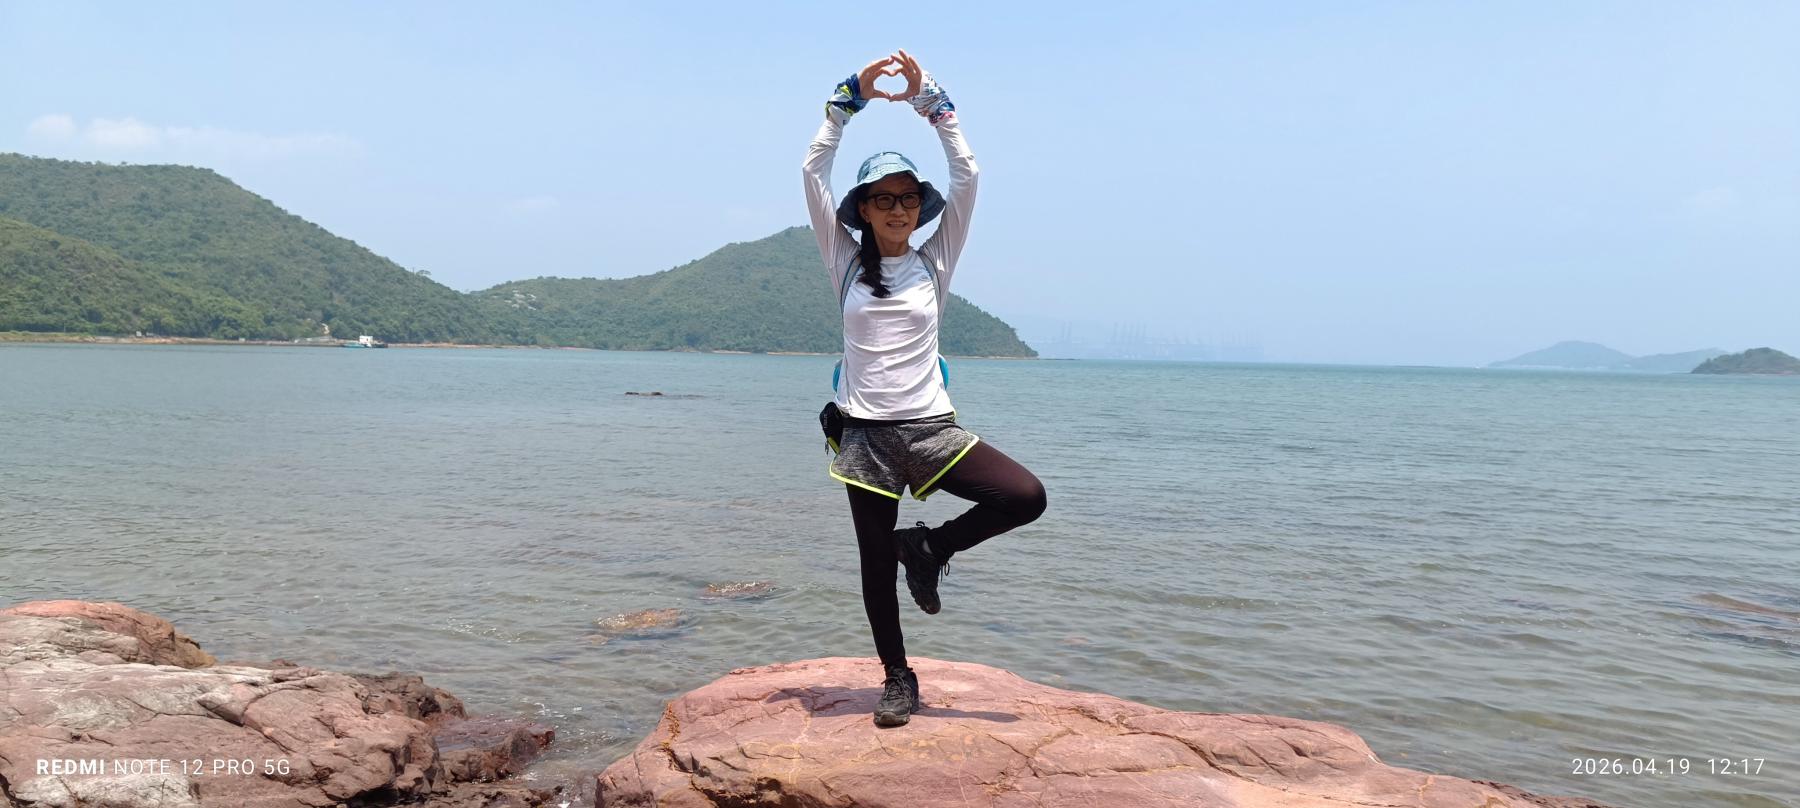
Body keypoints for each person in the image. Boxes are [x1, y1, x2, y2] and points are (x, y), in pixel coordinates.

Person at [802, 50, 1048, 727]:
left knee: (1024, 496)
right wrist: (845, 104)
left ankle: (931, 547)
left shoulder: (935, 262)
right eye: (883, 199)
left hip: (930, 429)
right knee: (873, 564)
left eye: (908, 199)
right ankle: (897, 678)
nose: (898, 209)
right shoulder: (844, 263)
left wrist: (932, 104)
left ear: (920, 209)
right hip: (865, 437)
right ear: (863, 209)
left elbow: (968, 175)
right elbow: (812, 174)